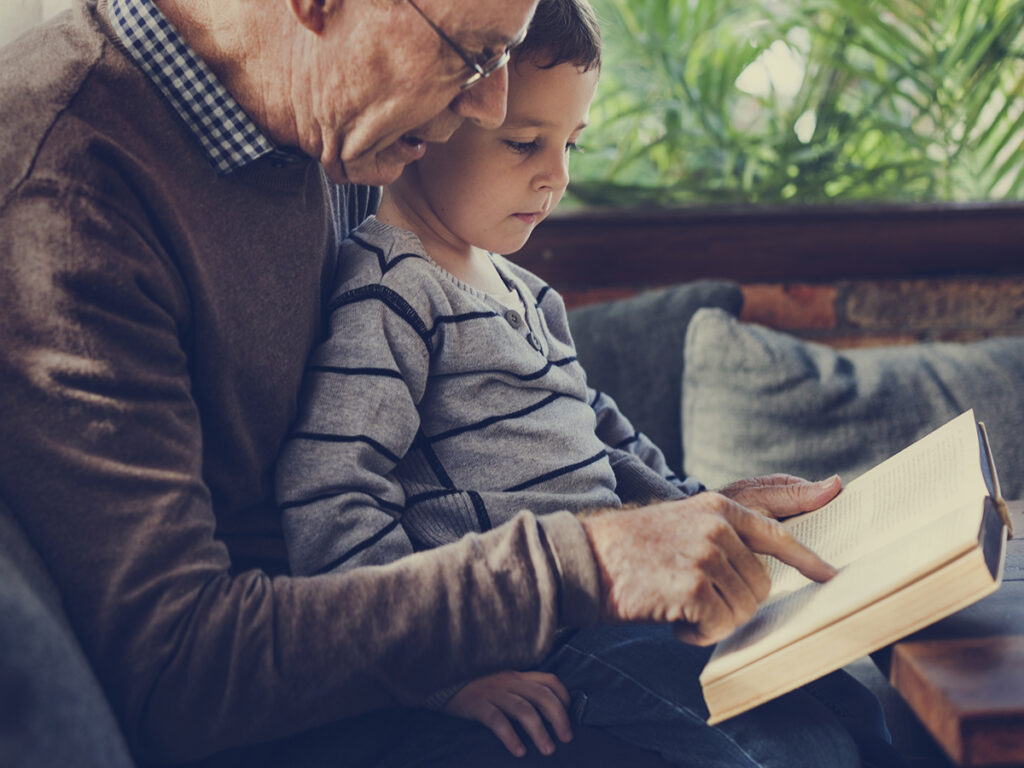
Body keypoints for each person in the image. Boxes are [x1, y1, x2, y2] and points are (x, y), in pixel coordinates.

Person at [0, 0, 874, 766]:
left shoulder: (329, 117)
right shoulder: (66, 190)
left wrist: (695, 511)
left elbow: (538, 405)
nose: (485, 107)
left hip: (431, 646)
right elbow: (177, 672)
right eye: (473, 53)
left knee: (828, 695)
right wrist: (583, 562)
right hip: (308, 711)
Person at [274, 1, 900, 766]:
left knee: (846, 695)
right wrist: (442, 678)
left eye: (571, 143)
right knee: (787, 749)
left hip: (628, 599)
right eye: (524, 142)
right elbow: (330, 497)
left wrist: (708, 507)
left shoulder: (528, 295)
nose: (557, 175)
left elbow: (606, 435)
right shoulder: (391, 291)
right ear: (435, 118)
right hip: (549, 631)